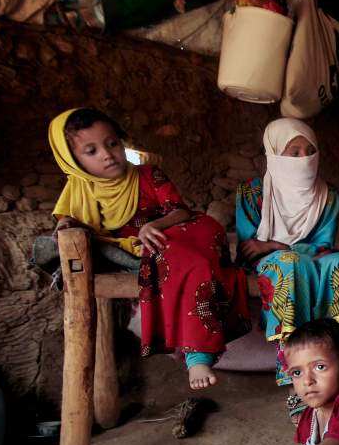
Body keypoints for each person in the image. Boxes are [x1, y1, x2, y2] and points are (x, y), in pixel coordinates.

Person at [50, 107, 249, 390]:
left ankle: (198, 352)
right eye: (91, 151)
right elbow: (67, 223)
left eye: (112, 143)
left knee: (198, 249)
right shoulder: (76, 190)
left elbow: (180, 211)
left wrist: (156, 225)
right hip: (148, 248)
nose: (107, 154)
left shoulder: (147, 174)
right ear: (71, 160)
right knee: (183, 262)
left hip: (176, 231)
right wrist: (67, 224)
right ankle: (197, 353)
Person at [236, 119, 339, 384]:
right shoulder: (252, 193)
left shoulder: (328, 195)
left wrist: (275, 245)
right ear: (275, 155)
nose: (304, 158)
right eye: (294, 152)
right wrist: (278, 250)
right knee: (290, 263)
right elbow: (249, 249)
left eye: (310, 151)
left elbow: (324, 245)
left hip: (310, 256)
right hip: (274, 263)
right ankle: (293, 367)